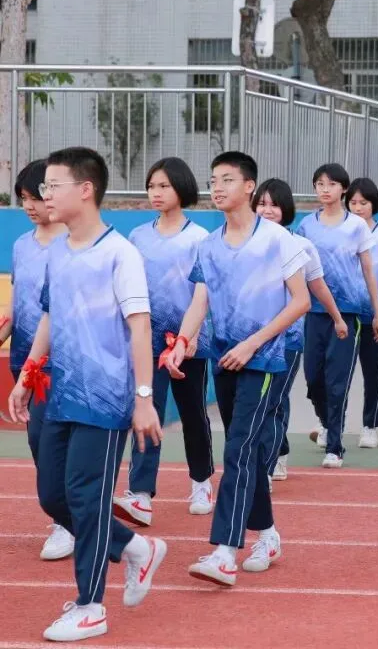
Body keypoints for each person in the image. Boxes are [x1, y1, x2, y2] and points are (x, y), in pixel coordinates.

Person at [7, 146, 166, 641]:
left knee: (85, 495)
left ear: (85, 189)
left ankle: (90, 605)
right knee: (54, 495)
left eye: (53, 185)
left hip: (105, 399)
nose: (45, 194)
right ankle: (136, 548)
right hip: (60, 394)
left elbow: (140, 327)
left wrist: (143, 398)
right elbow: (51, 318)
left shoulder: (121, 254)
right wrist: (26, 374)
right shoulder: (55, 250)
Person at [166, 151, 310, 585]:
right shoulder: (207, 246)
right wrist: (183, 344)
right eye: (213, 180)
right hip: (224, 358)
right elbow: (200, 301)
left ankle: (225, 550)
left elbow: (301, 301)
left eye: (227, 179)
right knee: (242, 448)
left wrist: (252, 343)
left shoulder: (279, 240)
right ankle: (266, 533)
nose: (217, 187)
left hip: (264, 358)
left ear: (249, 186)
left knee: (240, 449)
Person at [115, 157, 214, 526]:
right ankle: (140, 492)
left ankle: (201, 480)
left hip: (188, 343)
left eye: (164, 187)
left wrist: (188, 339)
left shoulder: (200, 238)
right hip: (148, 341)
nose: (156, 194)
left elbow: (204, 295)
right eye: (151, 186)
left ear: (181, 189)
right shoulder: (138, 236)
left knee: (192, 415)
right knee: (146, 410)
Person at [0, 159, 73, 561]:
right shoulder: (22, 245)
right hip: (24, 359)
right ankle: (65, 513)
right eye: (24, 198)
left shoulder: (72, 244)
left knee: (52, 441)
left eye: (37, 196)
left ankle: (65, 521)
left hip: (61, 361)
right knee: (36, 441)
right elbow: (20, 303)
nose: (30, 205)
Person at [252, 178, 348, 481]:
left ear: (286, 209)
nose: (267, 210)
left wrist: (337, 318)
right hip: (252, 337)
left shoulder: (301, 245)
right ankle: (278, 450)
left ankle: (267, 466)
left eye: (274, 204)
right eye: (262, 203)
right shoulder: (245, 243)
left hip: (288, 338)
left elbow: (318, 286)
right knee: (264, 402)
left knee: (273, 400)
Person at [296, 164, 378, 467]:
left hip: (347, 312)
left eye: (331, 184)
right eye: (319, 184)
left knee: (337, 379)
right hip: (314, 311)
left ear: (343, 189)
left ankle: (335, 444)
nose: (324, 189)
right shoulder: (306, 225)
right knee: (313, 378)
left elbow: (368, 270)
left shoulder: (356, 226)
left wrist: (376, 312)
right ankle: (326, 421)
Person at [345, 177, 378, 448]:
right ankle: (328, 424)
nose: (357, 208)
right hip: (344, 313)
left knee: (373, 372)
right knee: (334, 374)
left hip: (372, 313)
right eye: (353, 202)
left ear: (373, 205)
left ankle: (370, 425)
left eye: (363, 203)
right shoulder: (342, 231)